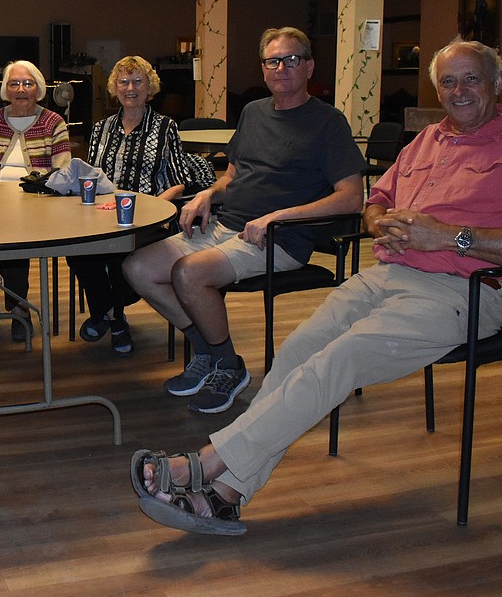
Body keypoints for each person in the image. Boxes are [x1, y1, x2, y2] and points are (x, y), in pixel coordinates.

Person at [131, 37, 502, 535]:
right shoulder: (427, 140)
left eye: (471, 78)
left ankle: (207, 463)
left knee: (339, 359)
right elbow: (375, 197)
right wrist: (377, 219)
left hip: (464, 291)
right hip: (388, 274)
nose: (459, 91)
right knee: (297, 351)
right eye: (448, 81)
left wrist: (451, 237)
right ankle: (226, 493)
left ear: (497, 83)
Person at [123, 27, 364, 414]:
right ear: (263, 69)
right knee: (138, 267)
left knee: (188, 273)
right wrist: (207, 194)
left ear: (309, 67)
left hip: (279, 239)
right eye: (273, 61)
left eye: (291, 59)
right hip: (226, 225)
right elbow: (233, 176)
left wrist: (279, 217)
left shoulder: (327, 123)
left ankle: (230, 366)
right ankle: (208, 351)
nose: (281, 68)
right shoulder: (253, 113)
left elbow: (352, 199)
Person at [67, 55, 215, 356]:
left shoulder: (165, 128)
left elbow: (179, 180)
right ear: (115, 88)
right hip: (104, 215)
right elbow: (92, 176)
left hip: (151, 218)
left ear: (150, 88)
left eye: (138, 81)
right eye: (123, 81)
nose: (130, 88)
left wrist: (150, 208)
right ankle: (113, 315)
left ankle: (107, 316)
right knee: (78, 253)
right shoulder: (100, 129)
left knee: (121, 257)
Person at [0, 60, 71, 341]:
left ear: (38, 88)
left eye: (27, 83)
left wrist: (34, 194)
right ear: (5, 89)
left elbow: (62, 172)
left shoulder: (53, 123)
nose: (21, 89)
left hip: (34, 204)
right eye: (14, 83)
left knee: (14, 234)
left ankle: (17, 305)